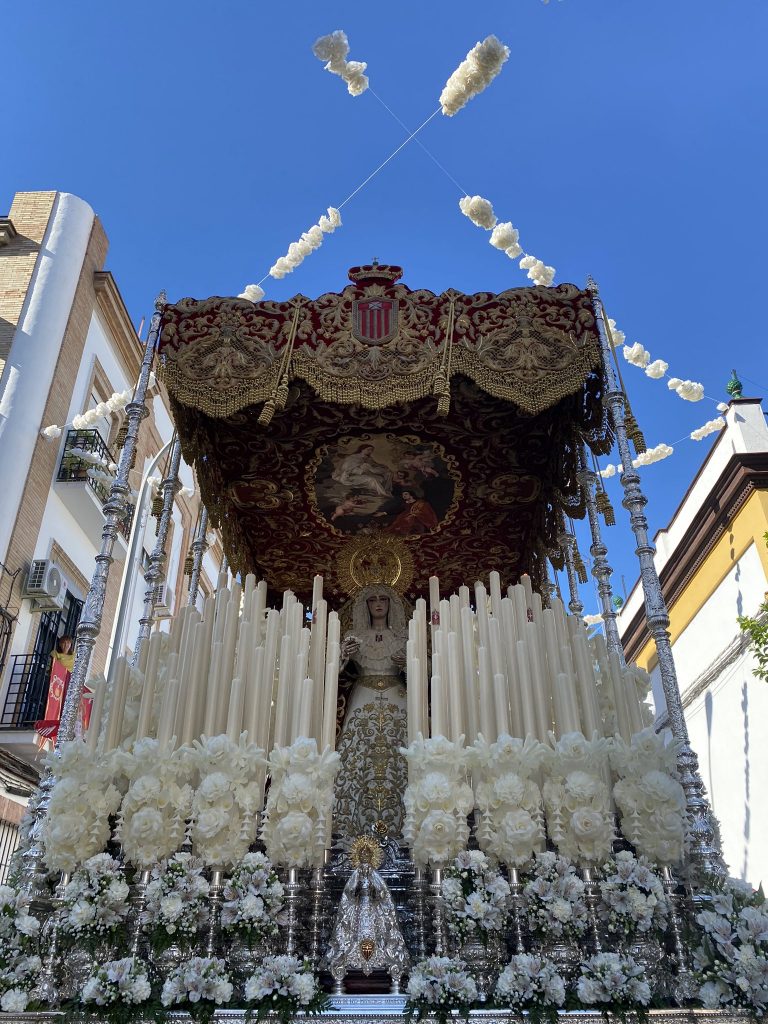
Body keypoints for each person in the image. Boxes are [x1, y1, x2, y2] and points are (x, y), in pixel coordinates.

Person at [334, 586, 408, 841]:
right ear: (364, 605)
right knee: (358, 753)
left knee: (400, 752)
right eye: (372, 599)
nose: (378, 604)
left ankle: (404, 823)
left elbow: (428, 669)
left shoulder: (403, 637)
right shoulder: (354, 636)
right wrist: (341, 656)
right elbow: (333, 670)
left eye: (383, 599)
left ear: (391, 604)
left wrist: (409, 663)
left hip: (397, 697)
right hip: (363, 695)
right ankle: (352, 823)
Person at [325, 835, 409, 993]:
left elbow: (383, 892)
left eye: (367, 855)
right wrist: (357, 890)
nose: (364, 858)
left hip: (372, 907)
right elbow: (349, 892)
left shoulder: (372, 873)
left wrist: (375, 892)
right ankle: (350, 954)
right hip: (359, 907)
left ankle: (382, 955)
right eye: (362, 856)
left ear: (371, 857)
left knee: (379, 928)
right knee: (354, 929)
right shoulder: (357, 873)